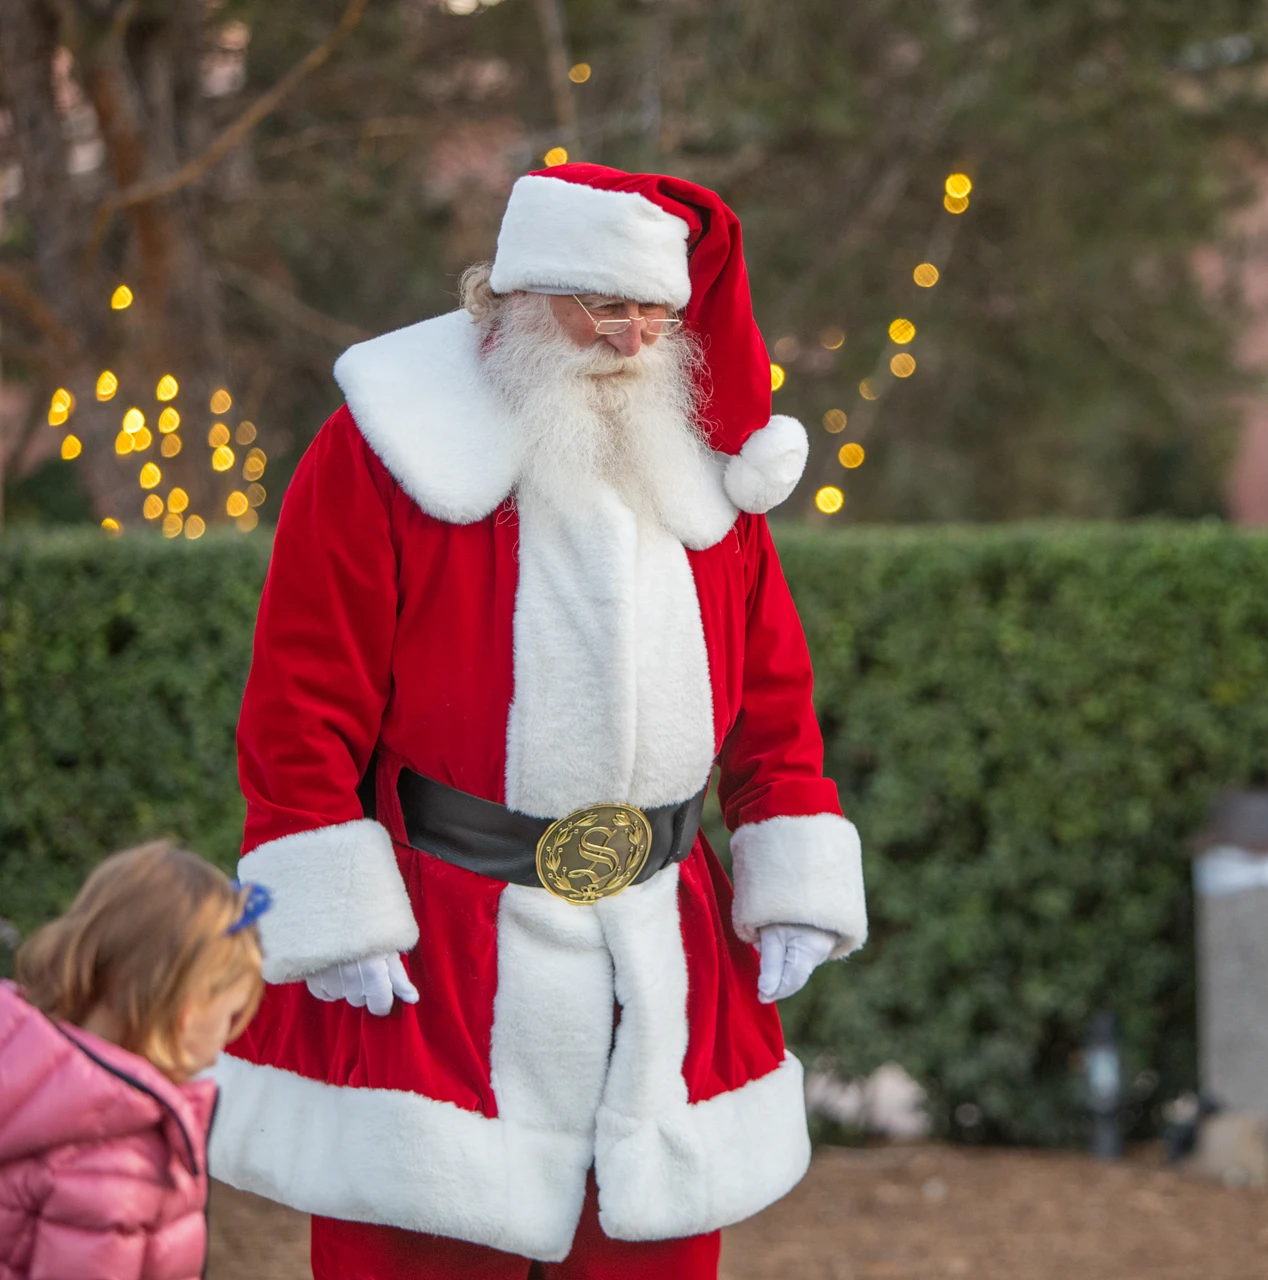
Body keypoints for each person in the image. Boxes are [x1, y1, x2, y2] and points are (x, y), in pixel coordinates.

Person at [209, 164, 867, 1280]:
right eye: (603, 306)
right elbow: (297, 706)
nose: (631, 339)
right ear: (514, 294)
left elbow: (773, 703)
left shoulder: (707, 476)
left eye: (654, 312)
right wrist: (332, 914)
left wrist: (791, 862)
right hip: (438, 951)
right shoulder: (383, 448)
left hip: (661, 952)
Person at [0, 841, 269, 1280]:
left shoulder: (25, 1064)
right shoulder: (114, 1165)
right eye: (229, 1014)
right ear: (185, 1011)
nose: (227, 1035)